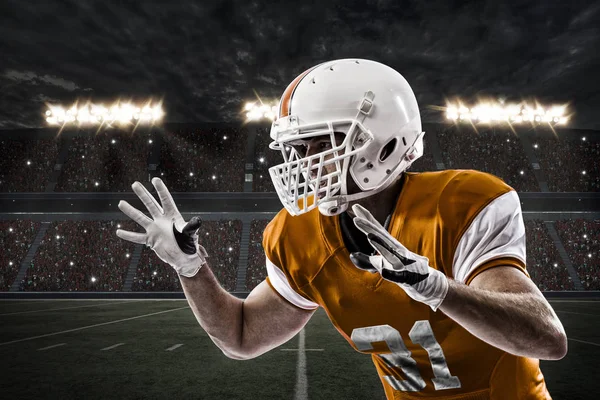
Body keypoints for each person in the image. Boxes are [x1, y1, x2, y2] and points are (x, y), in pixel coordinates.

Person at [116, 59, 567, 399]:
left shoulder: (461, 204)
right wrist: (191, 268)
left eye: (320, 144)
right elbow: (240, 336)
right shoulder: (297, 236)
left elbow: (547, 337)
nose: (303, 164)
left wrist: (437, 289)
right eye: (296, 148)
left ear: (385, 139)